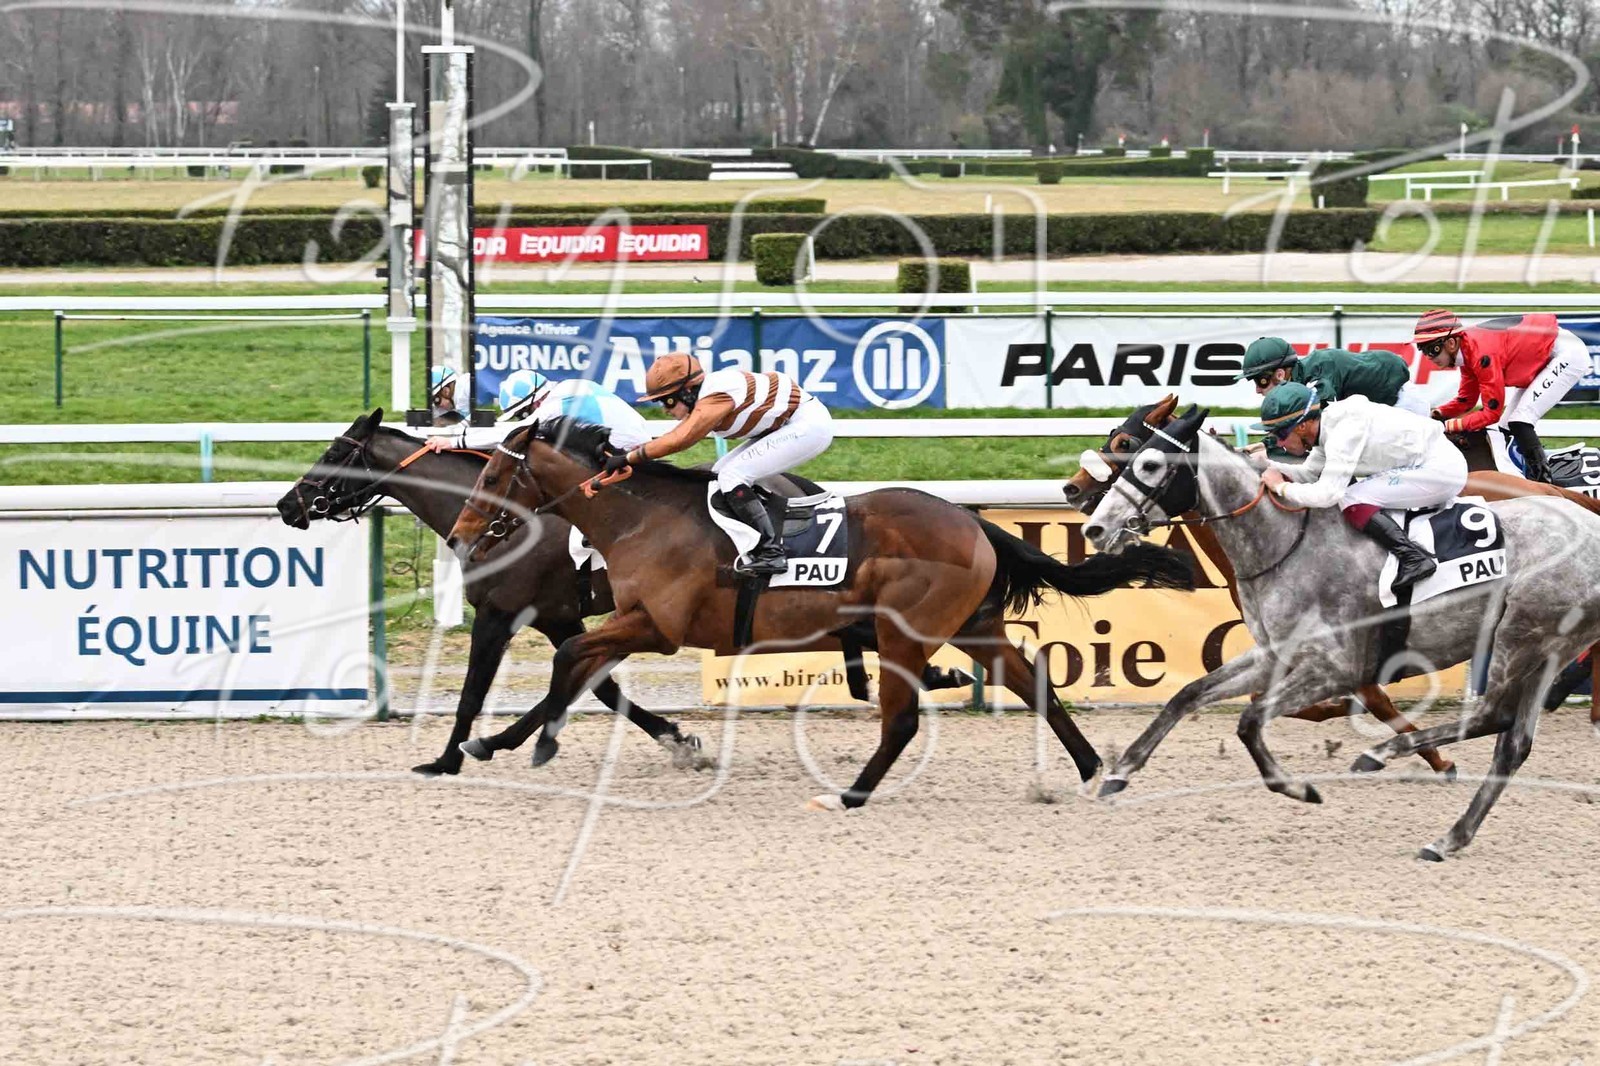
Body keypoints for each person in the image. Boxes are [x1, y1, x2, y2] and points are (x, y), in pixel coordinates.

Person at [601, 354, 835, 575]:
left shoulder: (717, 395)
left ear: (688, 391)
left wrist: (629, 458)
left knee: (732, 476)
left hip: (807, 426)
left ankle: (771, 552)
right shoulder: (707, 395)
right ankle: (747, 539)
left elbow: (680, 439)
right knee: (717, 476)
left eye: (668, 401)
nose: (665, 409)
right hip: (787, 425)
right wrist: (633, 454)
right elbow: (675, 436)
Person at [1255, 382, 1468, 590]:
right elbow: (1309, 473)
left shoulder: (1343, 433)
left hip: (1439, 469)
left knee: (1351, 497)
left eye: (1280, 434)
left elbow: (1328, 494)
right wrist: (1264, 464)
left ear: (1302, 426)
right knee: (1354, 494)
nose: (1279, 443)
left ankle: (1414, 558)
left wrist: (1281, 488)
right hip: (1425, 465)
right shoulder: (1327, 429)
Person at [1416, 309, 1590, 483]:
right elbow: (1466, 400)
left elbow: (1491, 414)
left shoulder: (1481, 353)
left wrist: (1450, 425)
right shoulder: (1467, 353)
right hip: (1548, 352)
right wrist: (1438, 413)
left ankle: (1545, 485)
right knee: (1504, 430)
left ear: (1451, 343)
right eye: (1422, 350)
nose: (1428, 357)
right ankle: (1524, 474)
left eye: (1432, 349)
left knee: (1520, 422)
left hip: (1566, 354)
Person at [427, 370, 652, 452]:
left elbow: (513, 433)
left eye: (522, 413)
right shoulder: (569, 387)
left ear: (533, 403)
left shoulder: (555, 406)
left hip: (627, 454)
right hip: (636, 445)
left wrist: (453, 443)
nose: (523, 418)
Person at [1234, 337, 1428, 416]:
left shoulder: (1316, 378)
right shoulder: (1302, 382)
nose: (1257, 390)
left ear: (1280, 374)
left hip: (1403, 404)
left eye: (1260, 381)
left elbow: (1321, 424)